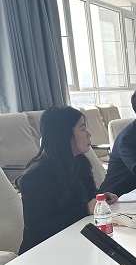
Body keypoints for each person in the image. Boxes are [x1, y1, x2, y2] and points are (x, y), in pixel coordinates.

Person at [17, 106, 118, 254]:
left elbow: (81, 200)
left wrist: (100, 199)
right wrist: (85, 209)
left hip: (74, 242)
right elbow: (37, 230)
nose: (89, 134)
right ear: (65, 134)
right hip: (43, 253)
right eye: (82, 129)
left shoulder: (79, 162)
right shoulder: (37, 176)